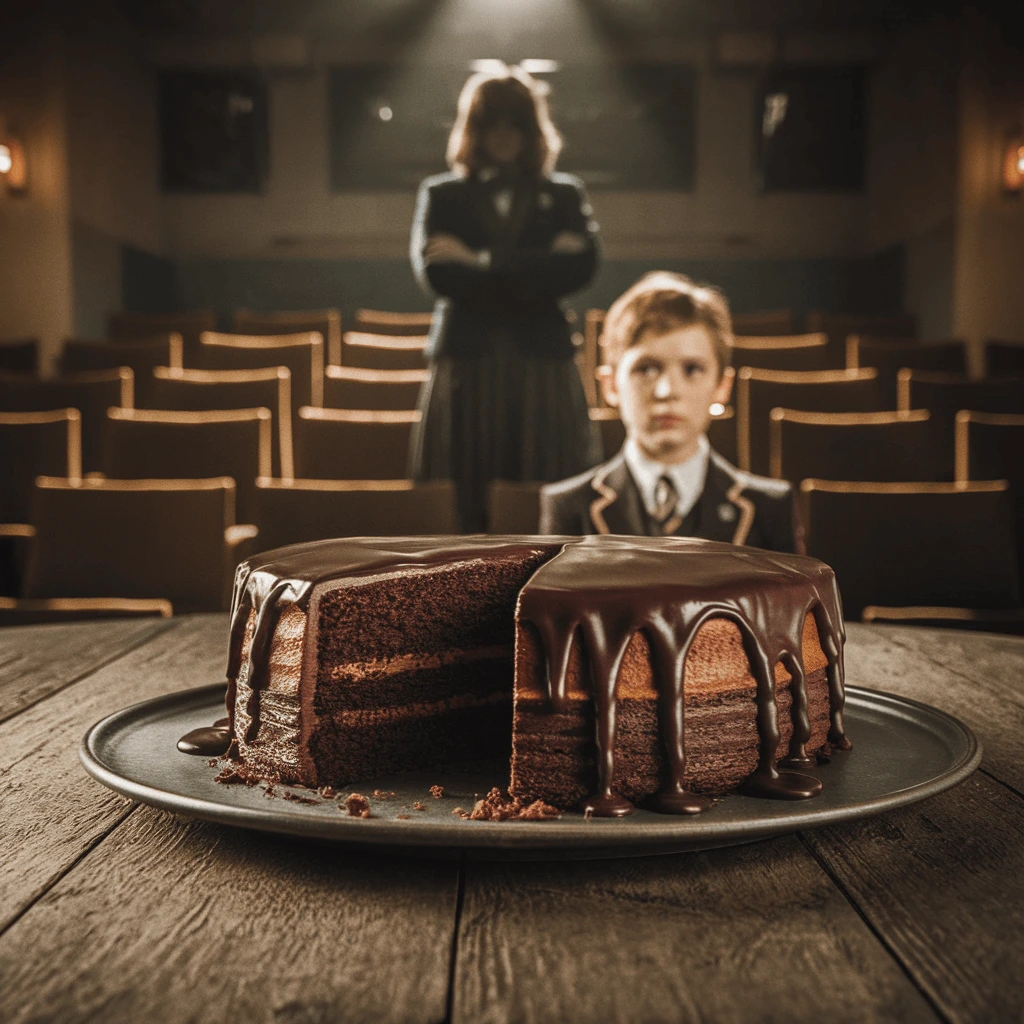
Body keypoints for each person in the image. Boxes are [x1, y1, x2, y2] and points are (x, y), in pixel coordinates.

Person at [409, 64, 602, 532]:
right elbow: (439, 276)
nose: (502, 134)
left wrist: (481, 260)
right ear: (474, 130)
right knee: (464, 494)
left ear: (530, 129)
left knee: (547, 485)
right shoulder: (442, 194)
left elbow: (580, 268)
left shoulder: (564, 194)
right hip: (467, 363)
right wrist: (535, 266)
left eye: (513, 122)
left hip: (542, 361)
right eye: (491, 122)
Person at [539, 271, 799, 551]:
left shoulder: (769, 508)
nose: (666, 392)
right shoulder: (569, 506)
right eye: (646, 368)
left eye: (692, 369)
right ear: (611, 385)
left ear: (722, 387)